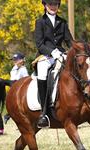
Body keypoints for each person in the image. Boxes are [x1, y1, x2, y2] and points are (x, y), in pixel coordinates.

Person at [34, 0, 73, 128]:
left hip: (61, 53)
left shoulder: (62, 22)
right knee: (43, 71)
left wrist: (77, 49)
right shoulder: (40, 22)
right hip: (45, 55)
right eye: (50, 4)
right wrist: (52, 52)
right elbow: (39, 44)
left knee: (80, 66)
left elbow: (69, 41)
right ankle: (44, 113)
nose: (53, 7)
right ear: (45, 6)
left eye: (55, 4)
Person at [4, 53, 29, 123]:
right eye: (14, 60)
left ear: (22, 60)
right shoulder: (13, 68)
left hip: (19, 89)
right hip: (12, 88)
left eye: (16, 60)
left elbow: (26, 79)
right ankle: (8, 115)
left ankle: (8, 115)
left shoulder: (23, 69)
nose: (14, 61)